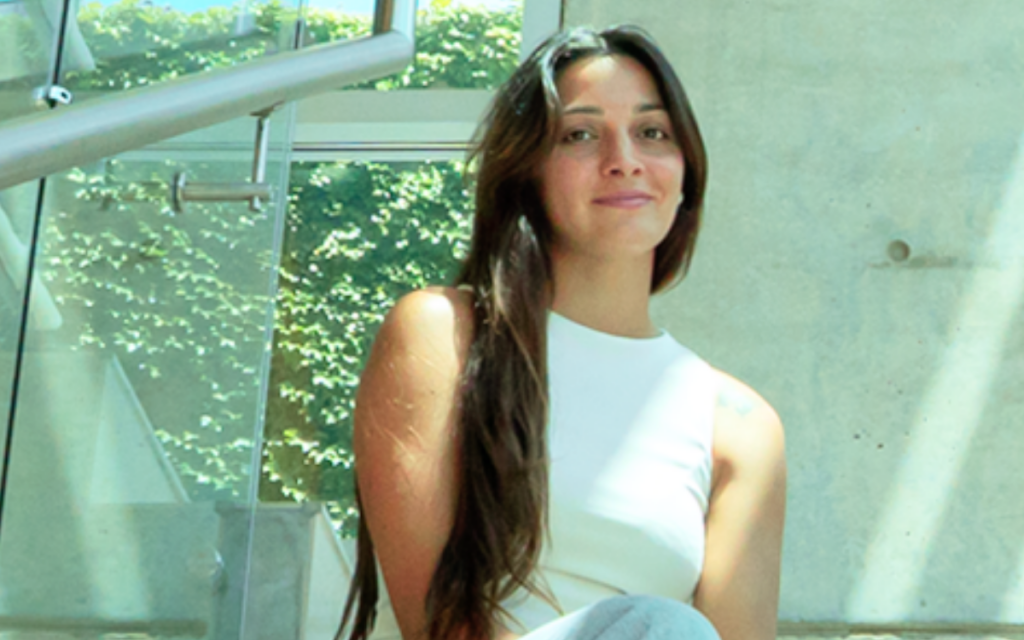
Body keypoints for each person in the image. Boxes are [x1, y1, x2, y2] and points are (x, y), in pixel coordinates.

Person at [335, 24, 787, 640]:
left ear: (686, 175)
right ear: (527, 173)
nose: (624, 159)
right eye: (580, 135)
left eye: (652, 132)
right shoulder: (443, 335)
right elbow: (436, 622)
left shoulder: (739, 426)